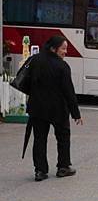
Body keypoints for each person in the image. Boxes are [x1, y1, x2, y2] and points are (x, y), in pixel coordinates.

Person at [27, 35, 83, 182]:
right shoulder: (62, 66)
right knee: (63, 137)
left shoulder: (35, 60)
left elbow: (25, 81)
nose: (66, 52)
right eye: (63, 48)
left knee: (39, 139)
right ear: (53, 48)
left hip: (37, 108)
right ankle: (63, 167)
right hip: (58, 109)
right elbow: (68, 91)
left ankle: (40, 171)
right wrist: (75, 113)